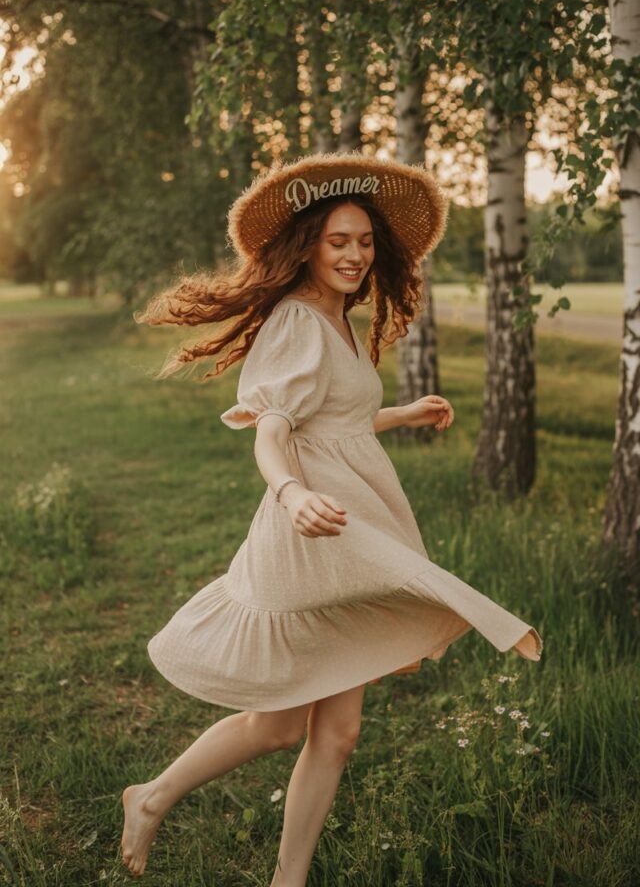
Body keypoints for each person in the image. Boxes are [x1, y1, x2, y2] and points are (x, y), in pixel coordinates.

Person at [120, 151, 543, 882]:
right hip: (308, 538)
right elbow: (276, 431)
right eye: (338, 241)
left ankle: (287, 879)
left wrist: (399, 413)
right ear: (308, 245)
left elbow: (330, 423)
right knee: (282, 724)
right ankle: (152, 797)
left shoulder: (338, 319)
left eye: (365, 242)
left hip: (350, 533)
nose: (354, 255)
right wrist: (289, 494)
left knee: (335, 733)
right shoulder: (295, 322)